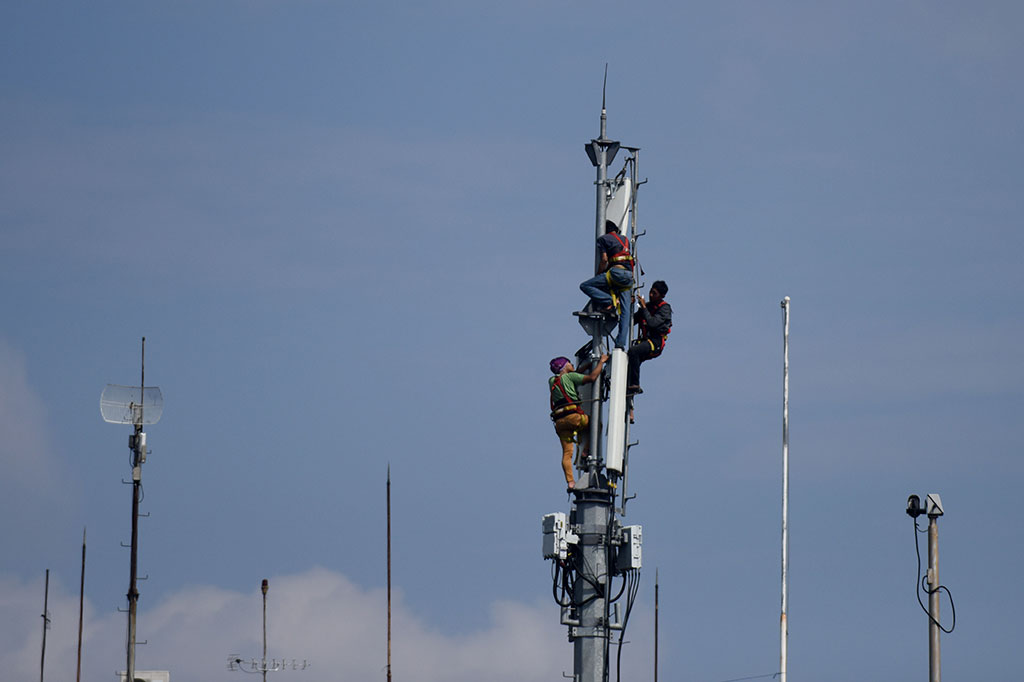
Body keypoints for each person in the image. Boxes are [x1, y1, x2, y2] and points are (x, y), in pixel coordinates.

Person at [549, 353, 609, 490]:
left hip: (560, 423)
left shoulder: (552, 381)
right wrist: (602, 362)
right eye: (569, 363)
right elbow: (592, 377)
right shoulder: (571, 377)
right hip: (574, 418)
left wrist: (587, 365)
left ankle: (570, 482)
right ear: (564, 367)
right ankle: (586, 450)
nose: (572, 365)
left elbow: (574, 374)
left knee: (566, 454)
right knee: (596, 424)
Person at [579, 221, 634, 349]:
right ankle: (620, 344)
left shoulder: (603, 239)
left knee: (585, 286)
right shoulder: (625, 240)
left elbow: (604, 260)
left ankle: (609, 301)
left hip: (615, 273)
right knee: (625, 313)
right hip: (628, 277)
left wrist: (598, 274)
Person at [626, 280, 672, 422]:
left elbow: (652, 322)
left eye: (655, 293)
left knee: (633, 352)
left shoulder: (664, 309)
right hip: (646, 342)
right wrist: (630, 304)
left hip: (655, 343)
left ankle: (635, 385)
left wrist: (644, 308)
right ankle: (630, 409)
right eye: (651, 292)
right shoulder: (648, 307)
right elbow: (632, 320)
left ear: (661, 295)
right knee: (630, 367)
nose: (651, 295)